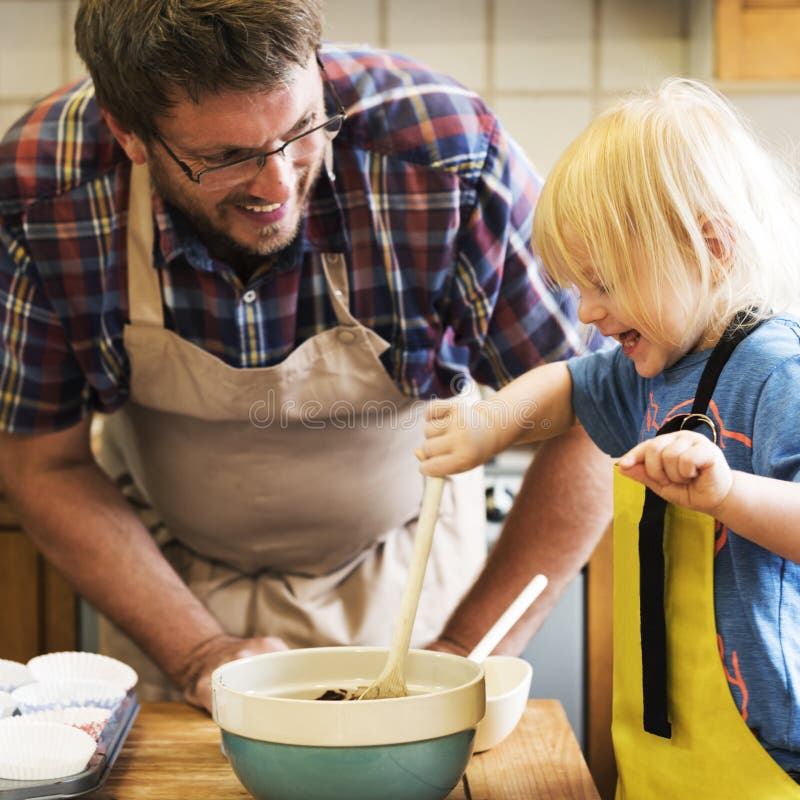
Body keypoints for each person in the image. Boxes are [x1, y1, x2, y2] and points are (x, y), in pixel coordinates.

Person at [0, 1, 611, 710]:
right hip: (165, 582)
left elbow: (589, 413)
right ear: (128, 134)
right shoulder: (44, 191)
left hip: (408, 572)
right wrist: (198, 651)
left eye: (300, 131)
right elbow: (44, 462)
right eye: (224, 158)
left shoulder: (443, 159)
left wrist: (456, 655)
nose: (279, 185)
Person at [418, 78, 800, 797]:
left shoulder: (780, 372)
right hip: (661, 745)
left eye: (604, 282)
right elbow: (565, 385)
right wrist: (487, 426)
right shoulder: (650, 367)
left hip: (769, 757)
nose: (589, 310)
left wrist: (727, 491)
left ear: (710, 250)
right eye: (577, 287)